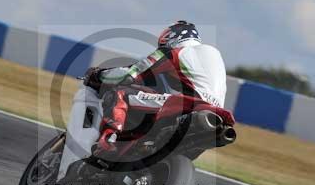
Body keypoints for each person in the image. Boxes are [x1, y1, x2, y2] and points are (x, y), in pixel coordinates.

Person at [84, 20, 227, 157]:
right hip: (219, 117)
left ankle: (110, 140)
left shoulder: (174, 52)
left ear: (171, 37)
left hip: (189, 105)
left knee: (120, 93)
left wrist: (98, 75)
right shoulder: (215, 56)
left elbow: (129, 75)